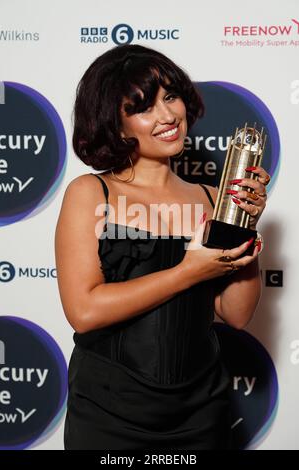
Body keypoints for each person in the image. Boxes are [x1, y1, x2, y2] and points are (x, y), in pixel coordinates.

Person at [55, 44, 269, 450]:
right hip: (109, 411)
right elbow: (84, 312)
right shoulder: (90, 193)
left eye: (170, 96)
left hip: (201, 409)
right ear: (116, 125)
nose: (168, 116)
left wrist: (243, 223)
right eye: (144, 107)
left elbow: (237, 314)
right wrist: (187, 272)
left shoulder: (212, 198)